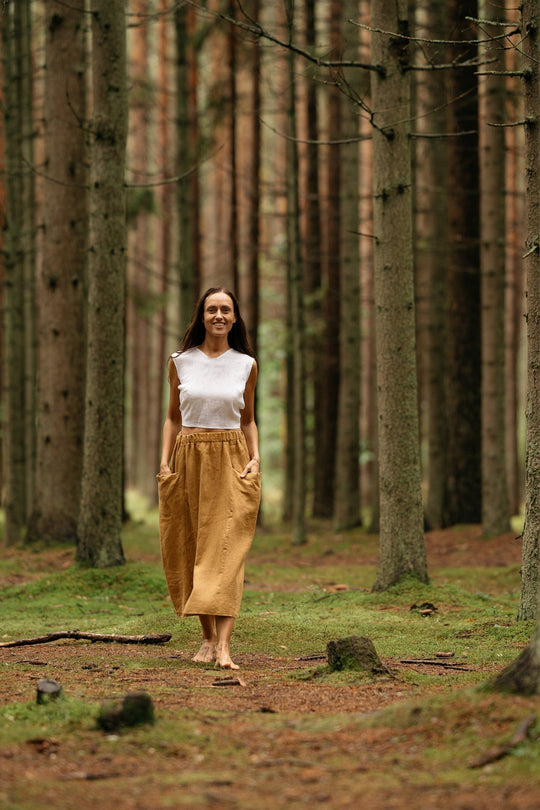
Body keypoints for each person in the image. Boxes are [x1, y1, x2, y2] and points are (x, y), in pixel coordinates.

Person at [157, 287, 261, 670]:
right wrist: (165, 462)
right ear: (202, 316)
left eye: (226, 310)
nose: (219, 315)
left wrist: (256, 457)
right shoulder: (180, 361)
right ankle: (207, 637)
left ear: (235, 318)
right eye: (212, 309)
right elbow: (172, 417)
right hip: (188, 455)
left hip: (231, 455)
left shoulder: (246, 364)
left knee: (227, 549)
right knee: (192, 545)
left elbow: (247, 419)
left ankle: (225, 647)